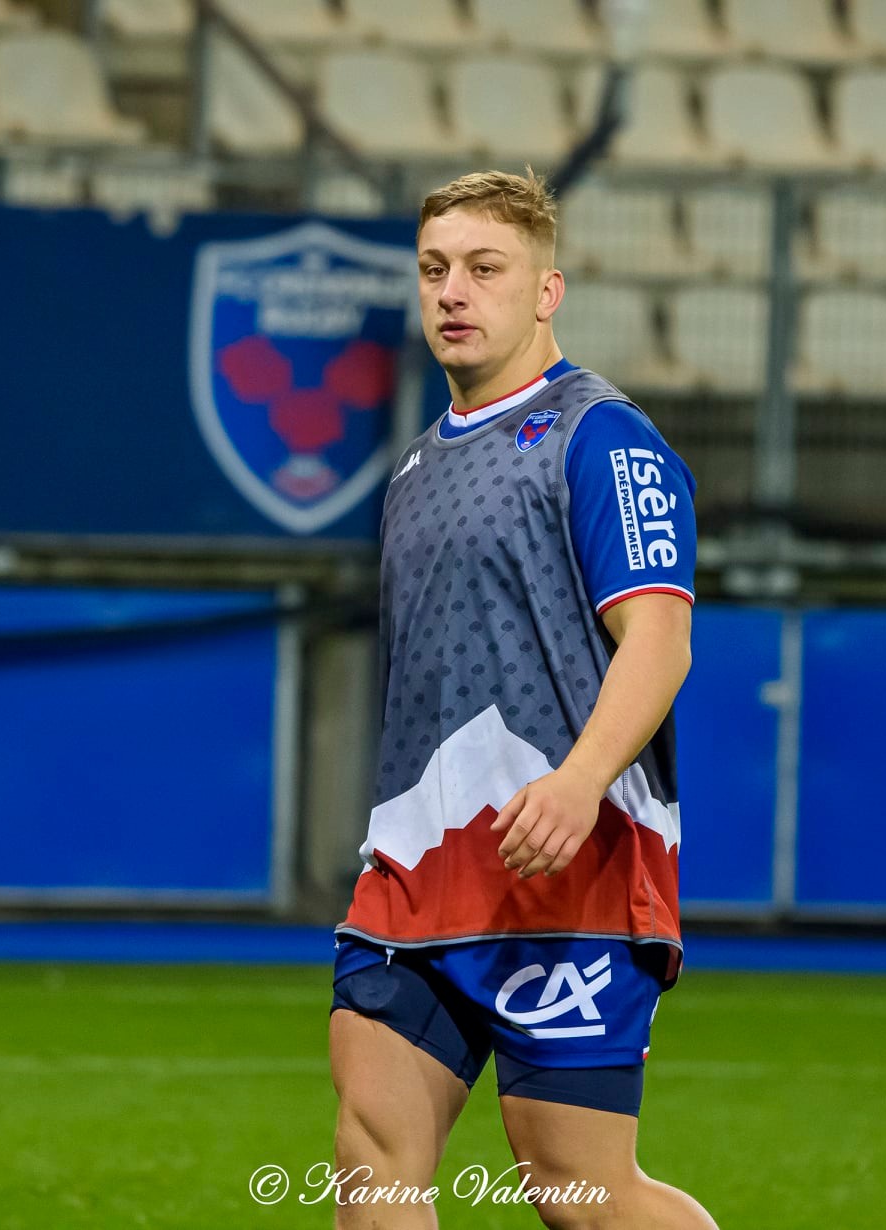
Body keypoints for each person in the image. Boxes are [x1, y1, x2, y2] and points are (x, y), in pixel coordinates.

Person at [327, 168, 717, 1230]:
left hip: (571, 869)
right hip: (416, 871)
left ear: (547, 291)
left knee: (578, 1194)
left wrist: (583, 781)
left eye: (485, 269)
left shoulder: (603, 437)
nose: (454, 291)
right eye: (434, 270)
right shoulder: (412, 467)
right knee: (369, 1159)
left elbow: (661, 637)